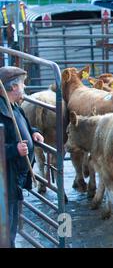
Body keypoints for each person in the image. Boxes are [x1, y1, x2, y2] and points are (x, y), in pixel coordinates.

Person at [0, 66, 44, 248]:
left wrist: (33, 132)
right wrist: (14, 150)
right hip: (5, 180)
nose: (24, 87)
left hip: (15, 178)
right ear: (13, 88)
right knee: (6, 225)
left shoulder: (14, 107)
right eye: (23, 84)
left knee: (12, 223)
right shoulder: (1, 111)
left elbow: (23, 125)